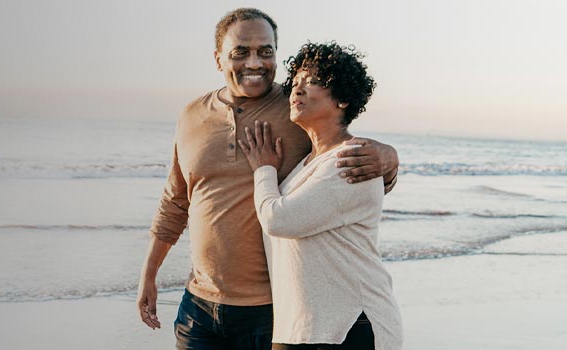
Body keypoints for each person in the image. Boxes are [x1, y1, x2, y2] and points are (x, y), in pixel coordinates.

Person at [134, 8, 400, 350]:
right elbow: (175, 201)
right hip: (198, 307)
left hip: (273, 310)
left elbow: (343, 158)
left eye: (266, 51)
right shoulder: (191, 116)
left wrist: (389, 158)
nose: (255, 63)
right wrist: (148, 275)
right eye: (240, 52)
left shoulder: (296, 111)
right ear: (218, 59)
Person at [240, 41, 403, 350]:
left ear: (341, 99)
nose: (297, 91)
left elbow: (278, 219)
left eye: (311, 81)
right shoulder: (306, 165)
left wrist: (263, 169)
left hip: (349, 326)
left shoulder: (352, 160)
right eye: (295, 83)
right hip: (301, 328)